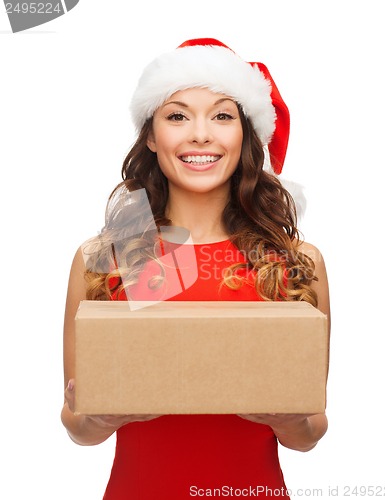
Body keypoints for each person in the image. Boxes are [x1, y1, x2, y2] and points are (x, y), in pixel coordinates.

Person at [61, 38, 330, 499]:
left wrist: (290, 420)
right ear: (150, 134)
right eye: (178, 115)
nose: (200, 134)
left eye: (223, 116)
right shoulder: (106, 258)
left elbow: (309, 433)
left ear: (245, 134)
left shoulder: (293, 261)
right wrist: (97, 418)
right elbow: (79, 427)